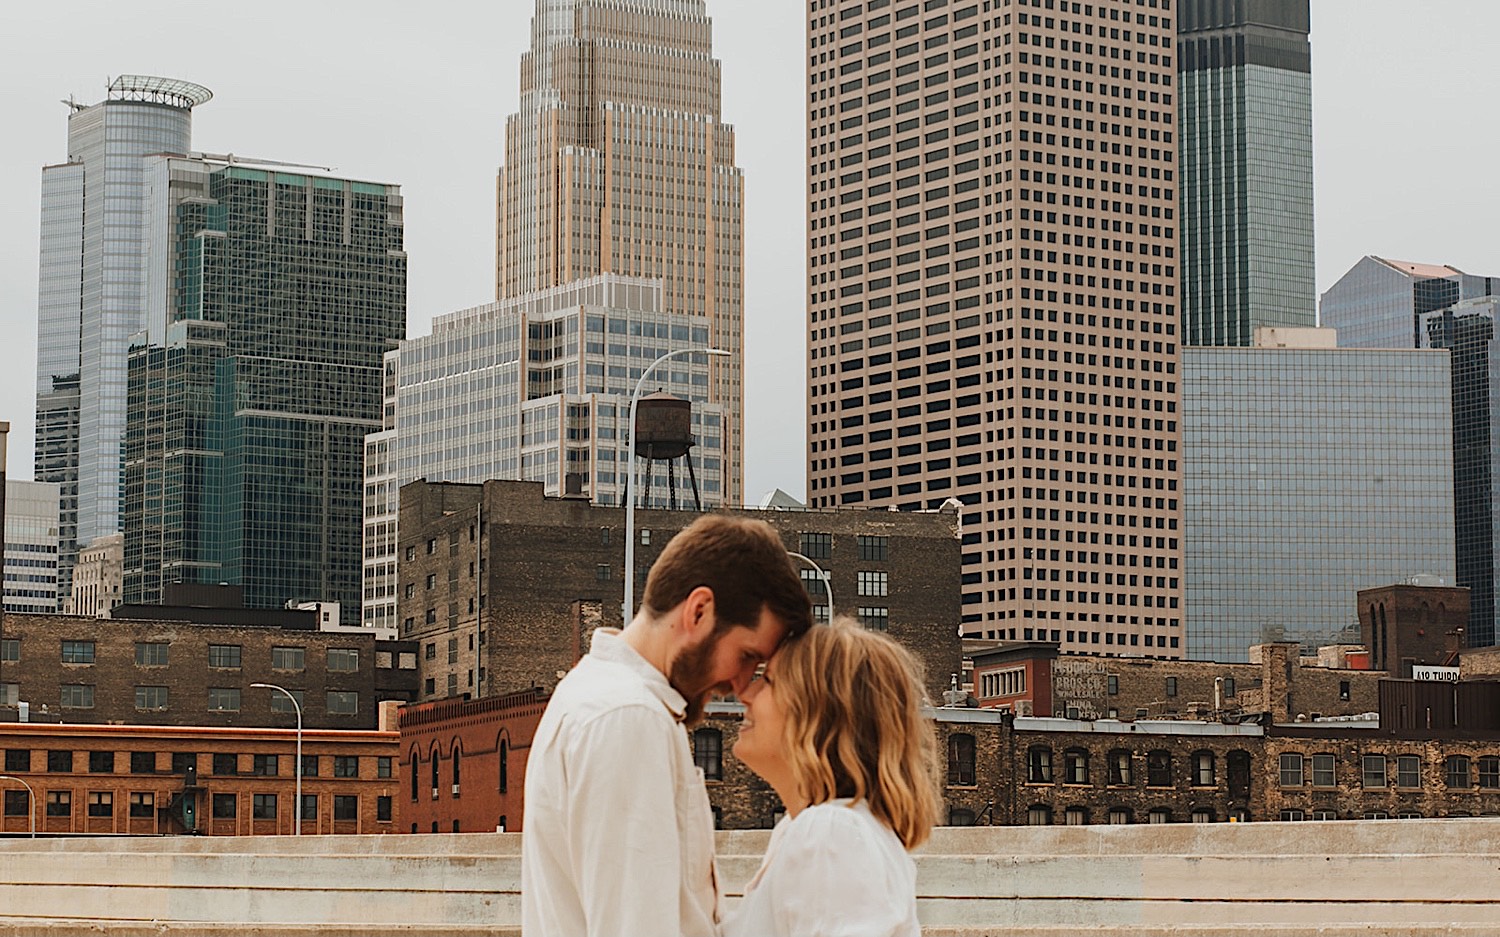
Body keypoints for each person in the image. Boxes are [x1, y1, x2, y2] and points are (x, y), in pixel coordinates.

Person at [521, 514, 814, 937]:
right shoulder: (628, 717)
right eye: (747, 656)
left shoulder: (610, 700)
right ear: (699, 611)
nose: (738, 685)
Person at [724, 618, 941, 937]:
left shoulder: (831, 832)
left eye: (768, 681)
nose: (745, 693)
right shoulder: (805, 829)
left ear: (817, 714)